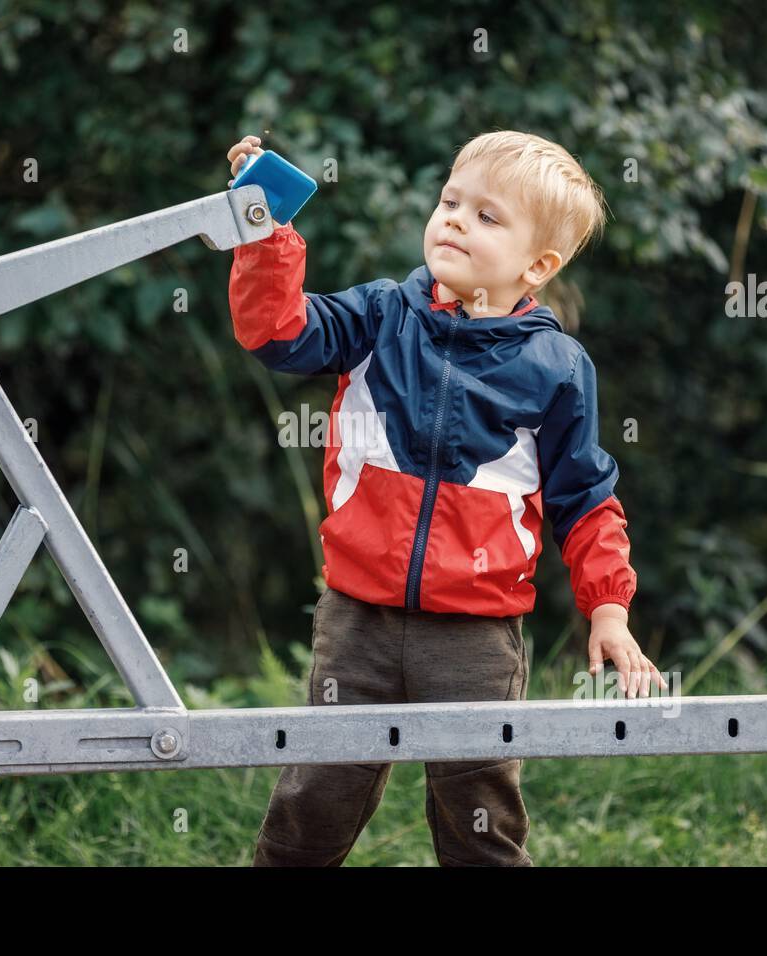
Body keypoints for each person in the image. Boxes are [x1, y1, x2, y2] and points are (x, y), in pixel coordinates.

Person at [226, 130, 665, 866]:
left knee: (480, 817)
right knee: (314, 801)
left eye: (488, 217)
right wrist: (264, 226)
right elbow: (276, 330)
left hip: (474, 636)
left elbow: (586, 499)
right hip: (357, 617)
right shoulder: (380, 320)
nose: (455, 219)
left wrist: (610, 611)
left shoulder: (556, 369)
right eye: (450, 201)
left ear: (539, 266)